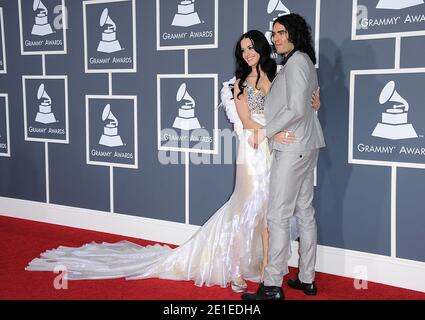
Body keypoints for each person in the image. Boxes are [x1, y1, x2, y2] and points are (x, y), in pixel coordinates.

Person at [25, 30, 320, 294]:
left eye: (252, 46)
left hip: (277, 150)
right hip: (253, 148)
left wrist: (313, 104)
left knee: (271, 214)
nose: (248, 53)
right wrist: (273, 132)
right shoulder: (237, 83)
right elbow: (245, 121)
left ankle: (270, 276)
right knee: (245, 210)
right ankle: (235, 272)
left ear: (262, 48)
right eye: (243, 49)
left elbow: (296, 103)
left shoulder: (280, 75)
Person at [242, 14, 326, 300]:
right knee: (304, 213)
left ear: (294, 33)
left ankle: (272, 284)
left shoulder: (298, 61)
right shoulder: (300, 62)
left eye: (281, 33)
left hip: (293, 148)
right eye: (274, 33)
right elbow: (307, 103)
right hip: (305, 145)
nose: (276, 38)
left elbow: (295, 109)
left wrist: (265, 131)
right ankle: (306, 278)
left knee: (278, 215)